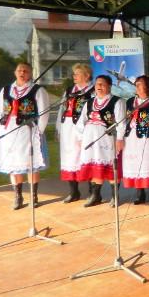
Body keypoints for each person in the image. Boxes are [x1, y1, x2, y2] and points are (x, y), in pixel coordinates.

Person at [0, 62, 49, 210]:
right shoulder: (6, 90)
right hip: (9, 132)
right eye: (19, 70)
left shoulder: (37, 90)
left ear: (30, 73)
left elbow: (44, 113)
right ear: (15, 72)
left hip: (28, 131)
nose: (22, 73)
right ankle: (18, 196)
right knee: (13, 164)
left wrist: (39, 131)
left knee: (31, 164)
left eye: (26, 71)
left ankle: (33, 196)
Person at [77, 75, 126, 207]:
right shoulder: (89, 102)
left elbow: (121, 123)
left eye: (102, 84)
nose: (99, 86)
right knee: (95, 166)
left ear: (109, 86)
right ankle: (96, 195)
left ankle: (115, 196)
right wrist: (80, 138)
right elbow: (81, 122)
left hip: (107, 138)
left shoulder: (117, 101)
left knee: (111, 166)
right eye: (97, 84)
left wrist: (120, 139)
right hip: (90, 138)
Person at [57, 63, 94, 203]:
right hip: (67, 128)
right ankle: (73, 192)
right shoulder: (69, 90)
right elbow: (62, 109)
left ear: (87, 76)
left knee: (86, 156)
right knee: (69, 158)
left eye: (77, 74)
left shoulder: (92, 91)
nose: (74, 76)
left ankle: (92, 192)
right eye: (74, 74)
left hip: (85, 128)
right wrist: (58, 128)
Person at [122, 75, 149, 204]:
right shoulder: (130, 102)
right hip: (131, 138)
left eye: (140, 84)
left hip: (148, 138)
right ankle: (140, 193)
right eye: (136, 84)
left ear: (148, 87)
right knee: (135, 163)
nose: (137, 87)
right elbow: (124, 120)